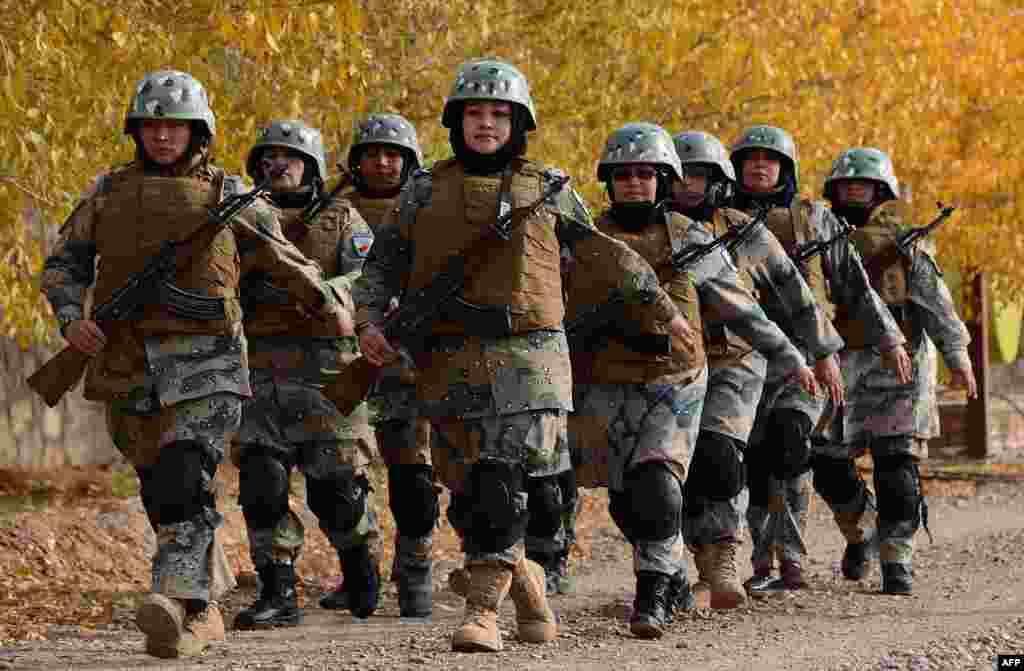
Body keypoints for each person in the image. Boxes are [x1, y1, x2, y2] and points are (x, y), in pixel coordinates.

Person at [353, 59, 688, 652]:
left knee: (499, 483)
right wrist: (367, 323)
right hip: (449, 357)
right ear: (456, 123)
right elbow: (382, 264)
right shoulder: (424, 189)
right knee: (467, 497)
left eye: (499, 114)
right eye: (475, 114)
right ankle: (529, 588)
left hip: (529, 360)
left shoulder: (548, 188)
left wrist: (664, 311)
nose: (486, 124)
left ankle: (481, 613)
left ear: (519, 123)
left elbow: (605, 256)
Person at [39, 71, 348, 658]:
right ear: (137, 131)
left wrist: (329, 302)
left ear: (196, 132)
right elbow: (64, 264)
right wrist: (67, 318)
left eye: (174, 126)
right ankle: (202, 613)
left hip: (209, 365)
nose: (162, 136)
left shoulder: (227, 194)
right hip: (128, 363)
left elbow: (282, 257)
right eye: (152, 125)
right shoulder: (107, 193)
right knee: (164, 491)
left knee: (186, 471)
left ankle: (172, 593)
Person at [570, 122, 813, 633]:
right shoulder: (587, 239)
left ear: (664, 179)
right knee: (627, 499)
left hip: (675, 380)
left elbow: (742, 308)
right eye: (624, 175)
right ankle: (672, 570)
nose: (635, 184)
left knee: (663, 482)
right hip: (606, 381)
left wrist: (791, 357)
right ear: (608, 181)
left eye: (646, 174)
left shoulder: (691, 238)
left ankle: (653, 596)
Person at [728, 127, 912, 593]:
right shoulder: (717, 219)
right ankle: (760, 562)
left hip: (807, 358)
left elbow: (853, 283)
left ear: (785, 168)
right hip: (740, 358)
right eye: (751, 159)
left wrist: (888, 339)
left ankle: (791, 560)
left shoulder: (811, 218)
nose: (759, 166)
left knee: (791, 445)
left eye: (770, 159)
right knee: (753, 462)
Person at [670, 129, 845, 602]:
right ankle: (681, 562)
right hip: (667, 367)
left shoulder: (746, 231)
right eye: (681, 175)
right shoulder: (649, 229)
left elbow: (796, 292)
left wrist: (822, 352)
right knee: (668, 475)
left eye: (700, 175)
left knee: (729, 460)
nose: (689, 185)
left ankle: (743, 559)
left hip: (740, 362)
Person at [232, 119, 380, 629]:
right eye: (268, 156)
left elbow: (369, 277)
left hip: (327, 370)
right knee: (262, 482)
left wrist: (325, 294)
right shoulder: (242, 218)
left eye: (290, 157)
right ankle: (277, 592)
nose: (279, 165)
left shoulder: (342, 218)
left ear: (312, 166)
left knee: (336, 491)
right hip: (259, 368)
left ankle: (360, 560)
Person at [819, 146, 976, 594]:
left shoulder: (907, 241)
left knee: (897, 467)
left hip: (901, 367)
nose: (854, 190)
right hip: (840, 363)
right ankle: (861, 529)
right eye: (847, 183)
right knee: (825, 462)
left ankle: (896, 556)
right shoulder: (819, 239)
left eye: (863, 184)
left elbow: (935, 302)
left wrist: (957, 357)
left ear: (881, 190)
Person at [335, 113, 438, 617]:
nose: (382, 161)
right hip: (342, 358)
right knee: (340, 478)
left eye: (393, 153)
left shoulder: (430, 209)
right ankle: (359, 565)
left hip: (409, 363)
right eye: (372, 152)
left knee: (413, 476)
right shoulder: (331, 211)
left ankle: (415, 568)